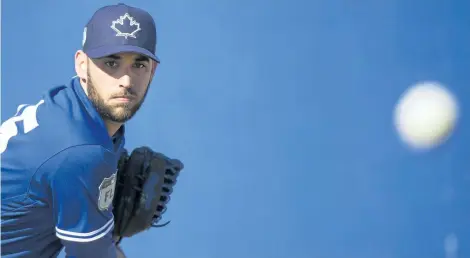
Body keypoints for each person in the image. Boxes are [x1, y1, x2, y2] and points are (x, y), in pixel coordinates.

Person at [1, 3, 165, 257]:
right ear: (81, 64)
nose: (126, 80)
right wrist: (106, 235)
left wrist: (101, 225)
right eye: (111, 63)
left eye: (139, 65)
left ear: (152, 71)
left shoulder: (69, 105)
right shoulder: (81, 150)